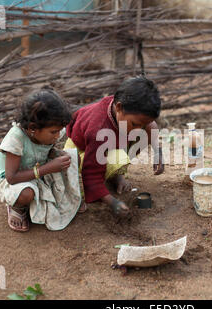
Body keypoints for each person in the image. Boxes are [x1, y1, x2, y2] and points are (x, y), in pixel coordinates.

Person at [64, 76, 164, 217]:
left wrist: (158, 152)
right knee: (118, 159)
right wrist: (112, 202)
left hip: (108, 141)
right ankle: (112, 174)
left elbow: (151, 125)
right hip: (82, 150)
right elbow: (91, 174)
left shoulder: (127, 109)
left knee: (145, 132)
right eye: (135, 124)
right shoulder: (97, 130)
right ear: (118, 107)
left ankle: (115, 176)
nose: (138, 129)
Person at [0, 87, 84, 232]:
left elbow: (45, 151)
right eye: (54, 132)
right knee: (26, 194)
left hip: (39, 171)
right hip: (17, 181)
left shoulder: (47, 131)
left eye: (59, 130)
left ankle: (69, 197)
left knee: (73, 158)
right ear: (32, 128)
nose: (57, 135)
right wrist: (48, 168)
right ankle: (17, 207)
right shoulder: (15, 139)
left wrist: (55, 154)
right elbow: (11, 177)